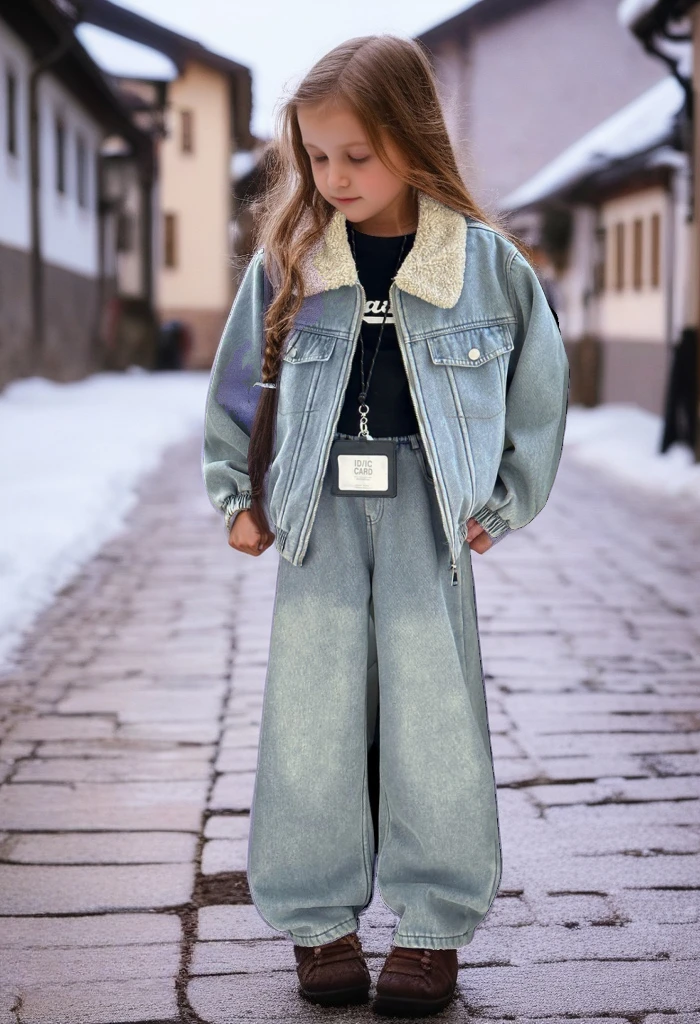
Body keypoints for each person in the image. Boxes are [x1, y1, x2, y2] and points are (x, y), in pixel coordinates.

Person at [201, 34, 569, 1017]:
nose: (334, 177)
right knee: (313, 713)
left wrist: (504, 501)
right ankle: (319, 920)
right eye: (318, 156)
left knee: (431, 717)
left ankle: (432, 926)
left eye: (355, 155)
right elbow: (240, 381)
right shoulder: (291, 260)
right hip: (319, 511)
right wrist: (238, 496)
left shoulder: (483, 264)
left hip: (426, 516)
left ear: (411, 140)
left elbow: (539, 386)